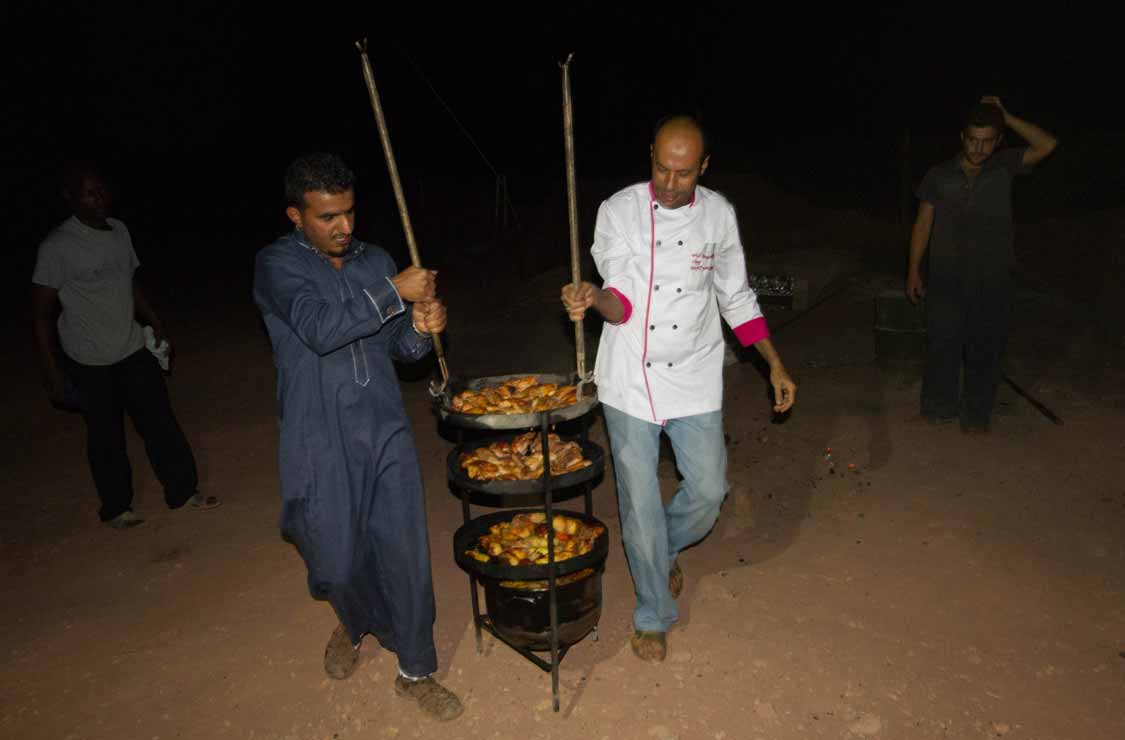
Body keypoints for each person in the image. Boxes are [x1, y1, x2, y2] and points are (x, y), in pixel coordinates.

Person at [561, 116, 797, 662]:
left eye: (683, 174)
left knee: (710, 491)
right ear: (650, 157)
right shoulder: (617, 212)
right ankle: (652, 615)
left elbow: (737, 298)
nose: (669, 184)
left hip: (693, 374)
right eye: (662, 170)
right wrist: (593, 299)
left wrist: (775, 366)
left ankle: (658, 550)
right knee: (638, 505)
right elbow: (620, 301)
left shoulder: (719, 215)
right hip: (630, 381)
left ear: (704, 168)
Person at [252, 153, 462, 721]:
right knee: (334, 562)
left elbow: (400, 351)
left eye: (348, 213)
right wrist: (396, 292)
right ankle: (357, 618)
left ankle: (416, 667)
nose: (344, 227)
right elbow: (321, 329)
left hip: (383, 423)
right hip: (316, 432)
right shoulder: (276, 266)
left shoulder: (377, 260)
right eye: (327, 217)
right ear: (296, 215)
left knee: (405, 552)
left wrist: (421, 327)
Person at [31, 162, 220, 530]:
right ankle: (116, 508)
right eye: (88, 192)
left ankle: (183, 491)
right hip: (88, 358)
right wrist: (51, 371)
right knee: (106, 436)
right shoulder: (57, 247)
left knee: (161, 423)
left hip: (132, 346)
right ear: (69, 197)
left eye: (102, 190)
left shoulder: (119, 231)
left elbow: (129, 281)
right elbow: (40, 314)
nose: (99, 198)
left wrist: (155, 321)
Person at [906, 96, 1058, 433]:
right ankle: (937, 408)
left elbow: (1047, 144)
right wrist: (913, 269)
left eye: (988, 140)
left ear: (999, 140)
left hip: (993, 278)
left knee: (985, 349)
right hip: (945, 276)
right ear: (962, 138)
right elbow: (922, 223)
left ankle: (975, 416)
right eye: (973, 140)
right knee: (942, 345)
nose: (979, 147)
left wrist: (1007, 115)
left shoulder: (1005, 165)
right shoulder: (939, 175)